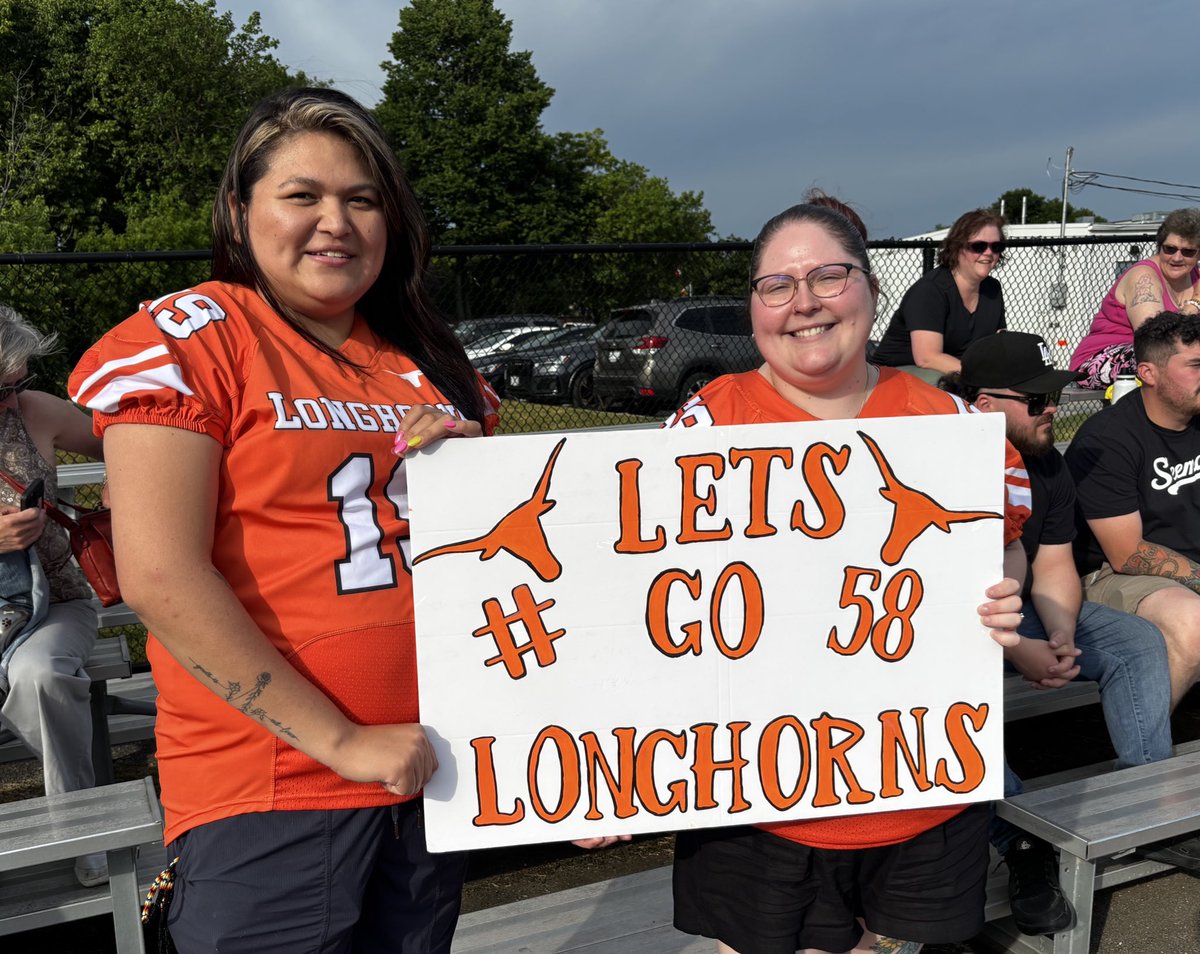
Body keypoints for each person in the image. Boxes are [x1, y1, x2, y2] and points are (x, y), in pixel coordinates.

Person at [69, 88, 497, 953]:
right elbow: (159, 574)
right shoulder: (197, 337)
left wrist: (471, 460)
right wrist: (341, 741)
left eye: (362, 198)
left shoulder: (425, 359)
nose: (335, 221)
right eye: (302, 195)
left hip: (433, 766)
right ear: (240, 208)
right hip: (277, 781)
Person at [663, 202, 1026, 954]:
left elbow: (1008, 549)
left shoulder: (952, 428)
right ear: (754, 308)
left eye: (829, 276)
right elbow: (637, 595)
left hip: (918, 784)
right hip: (759, 799)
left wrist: (1003, 598)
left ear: (871, 290)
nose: (804, 302)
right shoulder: (703, 428)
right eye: (776, 285)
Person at [943, 331, 1177, 931]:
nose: (1053, 409)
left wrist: (1062, 633)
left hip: (1016, 607)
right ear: (984, 403)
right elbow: (939, 602)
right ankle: (1023, 845)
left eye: (1053, 397)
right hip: (935, 627)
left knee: (1135, 641)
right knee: (950, 707)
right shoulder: (937, 456)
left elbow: (1052, 561)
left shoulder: (1043, 461)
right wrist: (1021, 648)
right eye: (1038, 400)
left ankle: (1144, 807)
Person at [1065, 310, 1200, 869]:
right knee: (1192, 623)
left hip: (1183, 569)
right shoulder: (1110, 437)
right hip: (1111, 576)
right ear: (1148, 372)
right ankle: (1136, 788)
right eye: (1195, 365)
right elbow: (1126, 552)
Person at [0, 307, 109, 887]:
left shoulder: (36, 410)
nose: (14, 399)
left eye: (19, 383)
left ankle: (83, 831)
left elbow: (125, 439)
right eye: (3, 389)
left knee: (41, 678)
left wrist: (130, 473)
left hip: (55, 607)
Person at [872, 209, 1007, 384]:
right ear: (957, 248)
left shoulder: (992, 289)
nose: (989, 253)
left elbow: (997, 345)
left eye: (996, 247)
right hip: (896, 375)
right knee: (944, 383)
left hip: (957, 371)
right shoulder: (931, 290)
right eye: (978, 246)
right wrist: (983, 378)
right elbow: (927, 358)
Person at [1069, 208, 1200, 389]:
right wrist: (1194, 305)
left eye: (1188, 252)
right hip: (1106, 359)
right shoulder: (1143, 277)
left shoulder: (1196, 278)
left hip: (1169, 361)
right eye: (1169, 249)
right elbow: (1157, 340)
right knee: (1168, 360)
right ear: (1160, 246)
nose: (1177, 258)